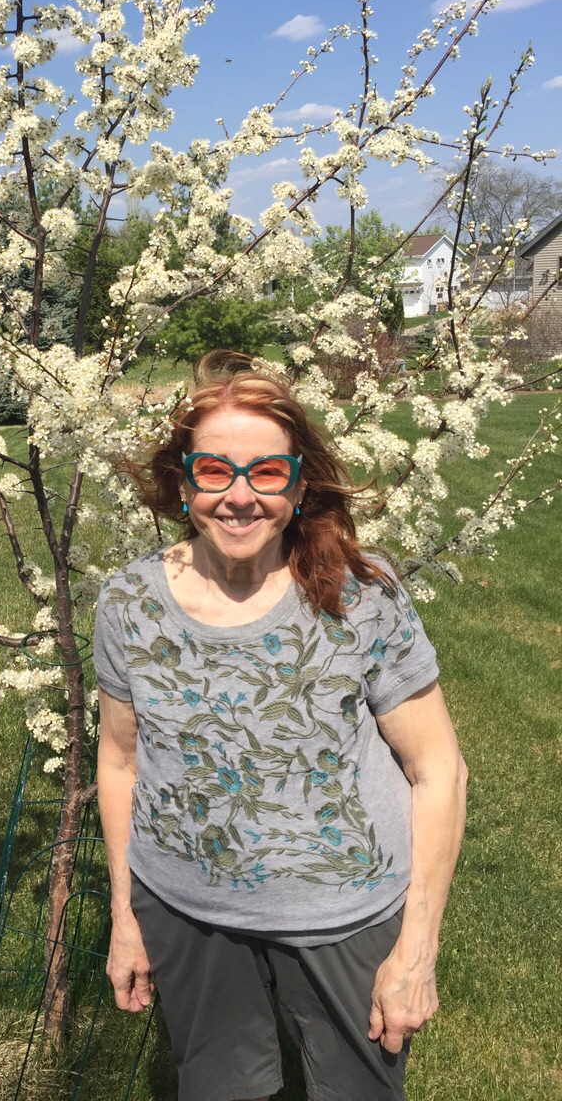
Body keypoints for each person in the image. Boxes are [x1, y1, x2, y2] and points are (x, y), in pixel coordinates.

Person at [94, 351, 467, 1101]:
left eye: (266, 473)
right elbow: (120, 764)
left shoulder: (358, 596)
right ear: (183, 483)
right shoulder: (129, 602)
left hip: (345, 915)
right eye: (214, 472)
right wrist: (126, 913)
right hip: (187, 912)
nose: (239, 497)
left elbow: (439, 772)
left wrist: (417, 948)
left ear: (298, 486)